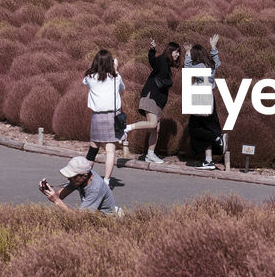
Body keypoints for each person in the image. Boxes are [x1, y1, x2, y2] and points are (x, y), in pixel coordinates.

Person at [123, 38, 182, 163]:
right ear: (170, 51)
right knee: (153, 124)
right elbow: (153, 61)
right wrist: (152, 50)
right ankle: (126, 128)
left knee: (156, 128)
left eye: (178, 52)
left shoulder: (166, 65)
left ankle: (150, 155)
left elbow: (154, 63)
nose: (177, 54)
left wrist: (152, 49)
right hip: (151, 97)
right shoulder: (162, 60)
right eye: (175, 51)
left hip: (157, 100)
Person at [82, 49, 126, 181]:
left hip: (97, 117)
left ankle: (83, 177)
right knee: (110, 149)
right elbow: (122, 88)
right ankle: (106, 180)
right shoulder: (116, 77)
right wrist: (115, 70)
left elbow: (85, 82)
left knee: (93, 149)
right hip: (113, 116)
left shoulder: (90, 78)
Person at [184, 35, 222, 168]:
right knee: (206, 127)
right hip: (210, 98)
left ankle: (216, 137)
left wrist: (187, 53)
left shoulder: (199, 66)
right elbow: (217, 61)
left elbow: (187, 70)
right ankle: (208, 160)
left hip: (200, 98)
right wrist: (213, 48)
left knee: (193, 128)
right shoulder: (211, 65)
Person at [39, 157, 119, 214]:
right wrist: (47, 190)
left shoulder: (95, 188)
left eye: (72, 176)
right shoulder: (79, 179)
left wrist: (57, 201)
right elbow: (59, 196)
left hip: (105, 219)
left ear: (84, 176)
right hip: (92, 215)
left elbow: (79, 218)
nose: (68, 178)